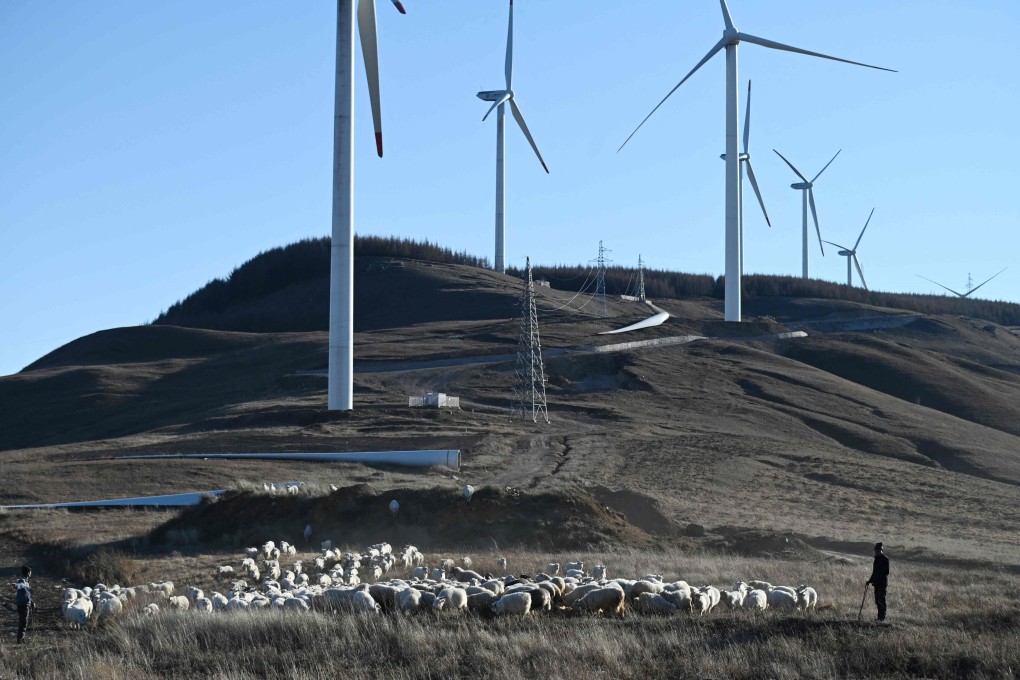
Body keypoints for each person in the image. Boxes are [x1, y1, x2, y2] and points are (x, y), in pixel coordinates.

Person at [866, 542, 890, 621]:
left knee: (881, 600)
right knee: (877, 600)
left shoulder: (885, 559)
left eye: (878, 550)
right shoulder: (876, 559)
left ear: (881, 550)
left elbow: (886, 572)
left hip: (882, 583)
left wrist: (878, 578)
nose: (876, 552)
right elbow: (874, 572)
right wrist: (870, 581)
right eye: (876, 550)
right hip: (876, 583)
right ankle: (879, 617)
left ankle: (882, 617)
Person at [14, 565, 36, 643]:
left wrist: (31, 602)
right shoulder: (21, 581)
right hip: (23, 604)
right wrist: (16, 586)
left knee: (23, 621)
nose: (31, 573)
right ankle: (20, 639)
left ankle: (21, 638)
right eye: (30, 572)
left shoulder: (26, 582)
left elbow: (27, 594)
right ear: (27, 573)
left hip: (25, 603)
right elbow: (19, 587)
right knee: (23, 622)